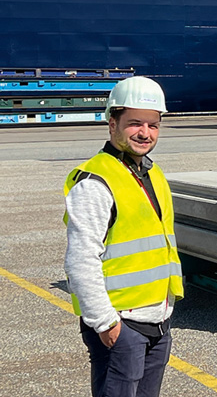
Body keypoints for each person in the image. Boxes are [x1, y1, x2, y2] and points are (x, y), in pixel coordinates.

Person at [63, 76, 182, 397]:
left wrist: (166, 310)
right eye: (134, 123)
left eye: (153, 125)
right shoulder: (96, 182)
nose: (145, 133)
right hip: (121, 325)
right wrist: (105, 323)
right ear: (111, 122)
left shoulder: (151, 173)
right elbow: (80, 260)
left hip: (157, 320)